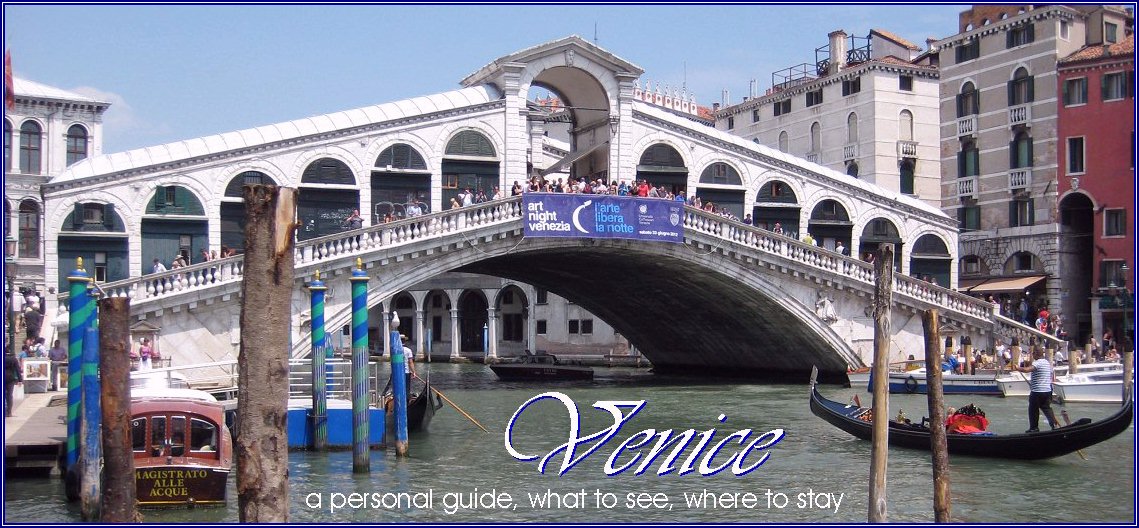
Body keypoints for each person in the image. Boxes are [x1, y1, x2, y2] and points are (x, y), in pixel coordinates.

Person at [1010, 348, 1059, 433]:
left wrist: (1018, 368)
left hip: (1037, 392)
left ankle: (1034, 428)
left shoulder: (1037, 363)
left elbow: (1026, 370)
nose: (1032, 355)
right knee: (1046, 408)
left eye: (1033, 353)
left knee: (1033, 410)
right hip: (1047, 391)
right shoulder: (1047, 363)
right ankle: (1054, 425)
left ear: (1036, 354)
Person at [4, 348, 22, 417]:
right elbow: (18, 369)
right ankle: (9, 412)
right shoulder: (13, 359)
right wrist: (20, 380)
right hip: (10, 378)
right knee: (9, 395)